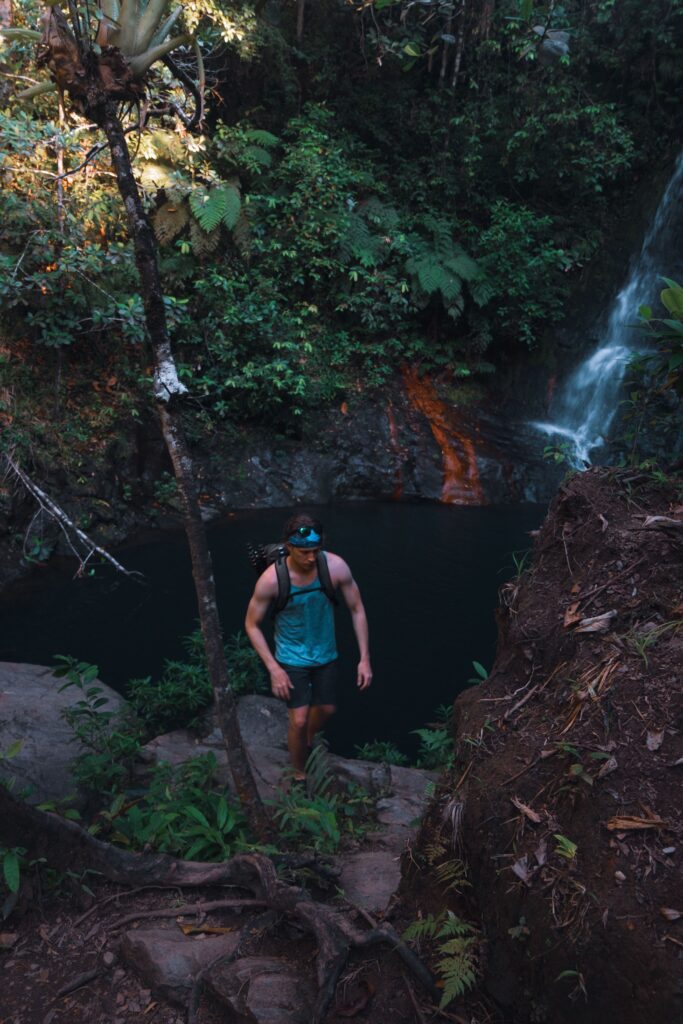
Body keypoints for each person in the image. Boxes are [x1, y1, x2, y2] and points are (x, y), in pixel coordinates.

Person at [245, 514, 372, 781]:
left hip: (325, 654)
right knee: (299, 720)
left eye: (316, 551)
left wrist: (364, 658)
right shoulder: (271, 580)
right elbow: (252, 625)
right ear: (289, 547)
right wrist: (274, 668)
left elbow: (357, 609)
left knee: (326, 710)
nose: (312, 558)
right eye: (304, 552)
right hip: (291, 658)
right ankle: (298, 774)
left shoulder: (335, 568)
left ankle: (306, 739)